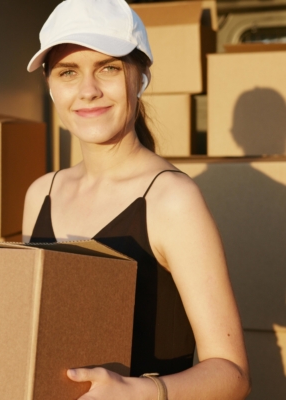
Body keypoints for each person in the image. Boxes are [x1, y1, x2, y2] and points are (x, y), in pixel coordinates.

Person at [21, 0, 251, 399]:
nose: (88, 91)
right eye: (68, 72)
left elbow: (233, 376)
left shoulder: (171, 200)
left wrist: (140, 393)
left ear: (140, 77)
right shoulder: (41, 193)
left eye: (108, 68)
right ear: (51, 86)